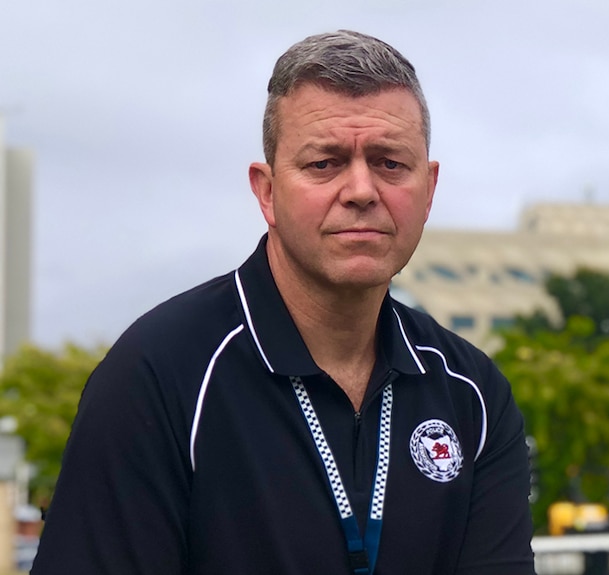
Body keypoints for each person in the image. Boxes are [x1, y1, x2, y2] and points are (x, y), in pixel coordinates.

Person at [32, 30, 536, 575]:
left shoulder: (472, 393)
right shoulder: (159, 377)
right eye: (325, 163)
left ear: (429, 188)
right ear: (267, 191)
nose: (362, 189)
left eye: (391, 162)